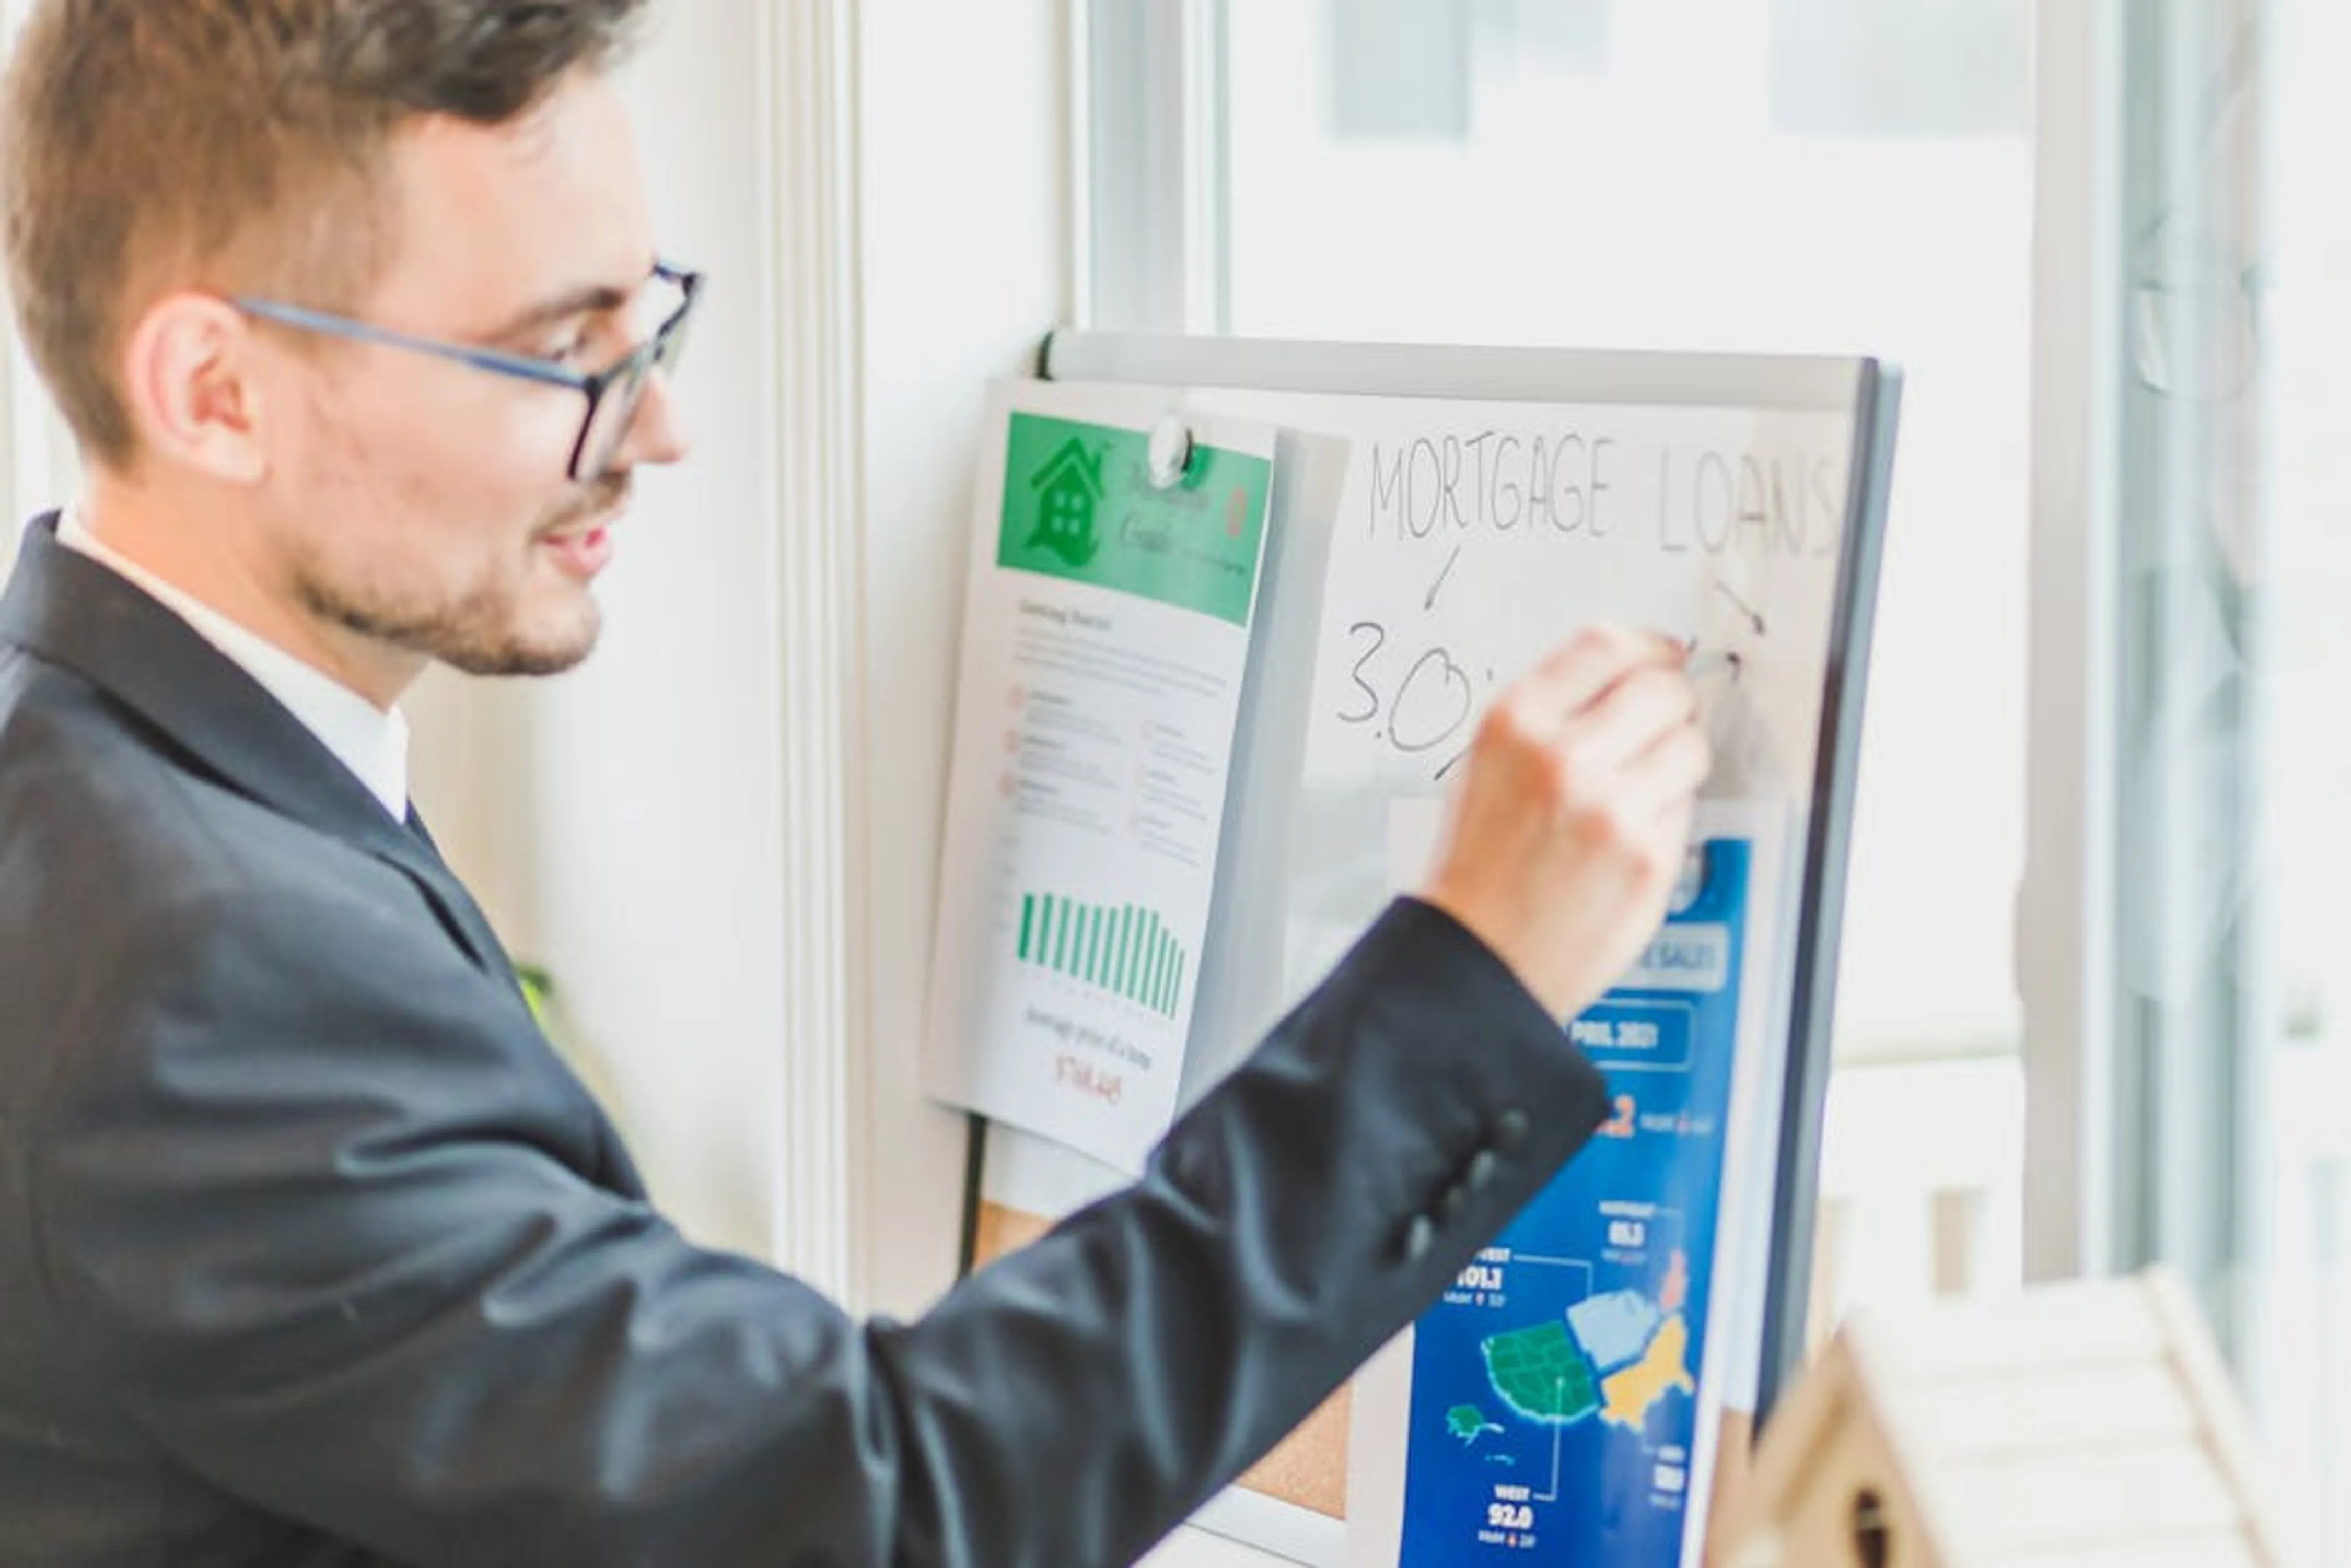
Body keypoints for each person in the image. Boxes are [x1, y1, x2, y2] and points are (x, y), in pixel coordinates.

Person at [0, 4, 1709, 1565]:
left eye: (648, 315)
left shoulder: (111, 769)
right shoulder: (199, 967)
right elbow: (874, 1511)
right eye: (562, 352)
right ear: (214, 391)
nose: (655, 428)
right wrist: (1468, 979)